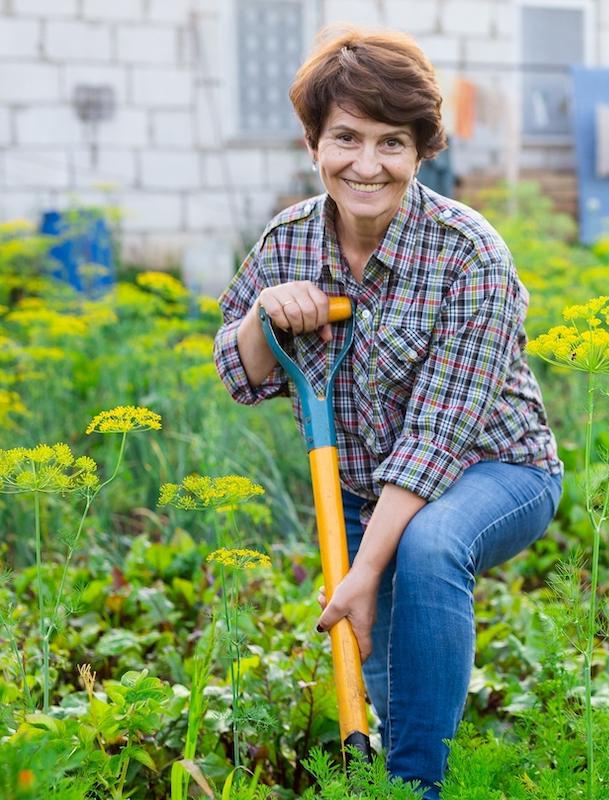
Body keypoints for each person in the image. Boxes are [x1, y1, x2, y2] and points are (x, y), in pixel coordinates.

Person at [212, 26, 562, 798]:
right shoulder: (288, 242)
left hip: (498, 467)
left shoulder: (470, 254)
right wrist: (263, 312)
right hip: (366, 497)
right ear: (314, 143)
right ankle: (411, 767)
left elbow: (441, 435)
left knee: (430, 547)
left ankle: (417, 790)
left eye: (391, 143)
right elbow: (240, 373)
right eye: (346, 138)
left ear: (420, 151)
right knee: (399, 692)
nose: (366, 165)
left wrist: (363, 569)